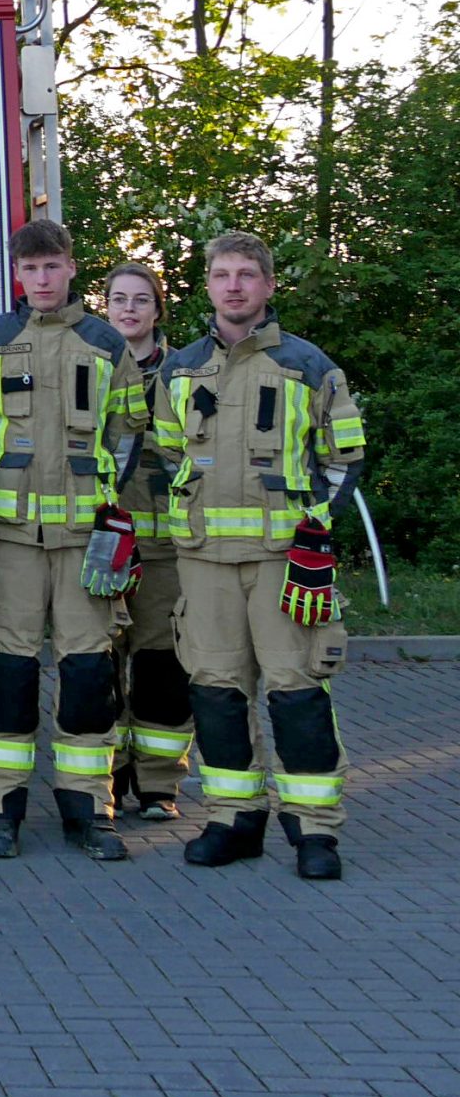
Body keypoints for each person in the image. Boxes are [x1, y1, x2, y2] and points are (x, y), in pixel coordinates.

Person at [156, 232, 366, 880]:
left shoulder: (310, 366)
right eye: (223, 274)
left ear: (270, 286)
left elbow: (346, 456)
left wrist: (315, 533)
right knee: (216, 693)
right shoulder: (181, 369)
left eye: (249, 274)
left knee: (296, 689)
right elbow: (170, 455)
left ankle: (314, 831)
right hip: (206, 561)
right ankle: (234, 820)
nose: (236, 285)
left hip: (283, 561)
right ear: (210, 285)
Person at [0, 221, 149, 864]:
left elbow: (127, 432)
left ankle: (89, 811)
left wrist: (106, 506)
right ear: (17, 274)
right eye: (29, 268)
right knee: (8, 672)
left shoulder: (105, 343)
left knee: (88, 674)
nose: (40, 279)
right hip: (8, 542)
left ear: (70, 269)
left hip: (84, 540)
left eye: (51, 266)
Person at [102, 262, 189, 821]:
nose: (128, 309)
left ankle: (159, 786)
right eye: (118, 299)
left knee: (161, 666)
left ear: (158, 310)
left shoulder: (185, 373)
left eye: (140, 300)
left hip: (165, 550)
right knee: (99, 668)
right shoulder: (89, 365)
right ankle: (105, 781)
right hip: (101, 545)